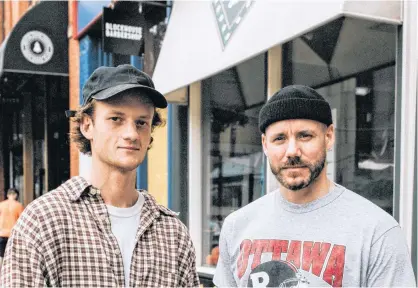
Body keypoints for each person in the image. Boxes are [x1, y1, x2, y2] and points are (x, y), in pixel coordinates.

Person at [0, 65, 199, 287]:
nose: (131, 134)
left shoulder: (173, 233)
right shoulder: (44, 221)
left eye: (141, 122)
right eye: (116, 119)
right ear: (87, 125)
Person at [213, 85, 416, 287]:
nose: (292, 151)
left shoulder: (376, 232)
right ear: (265, 144)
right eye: (279, 138)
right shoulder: (236, 227)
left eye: (305, 136)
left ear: (328, 136)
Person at [0, 188, 24, 268]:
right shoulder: (19, 205)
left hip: (2, 234)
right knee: (13, 256)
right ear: (16, 195)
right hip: (13, 234)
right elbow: (22, 221)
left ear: (7, 195)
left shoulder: (1, 205)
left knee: (1, 256)